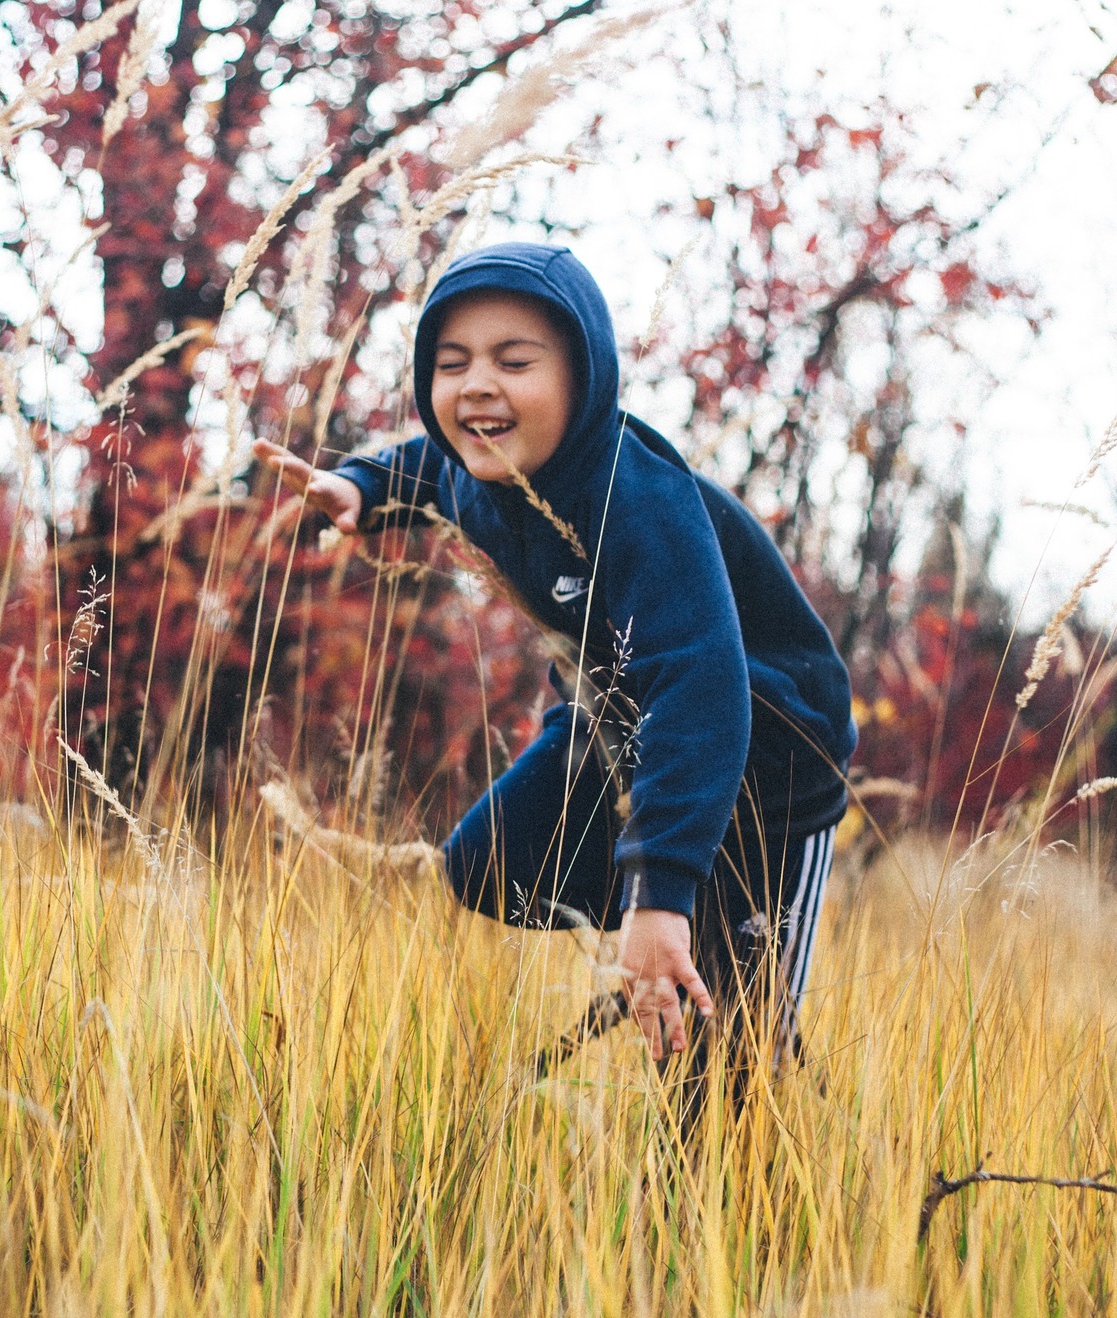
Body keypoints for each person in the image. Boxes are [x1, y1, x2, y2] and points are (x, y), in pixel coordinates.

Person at [254, 241, 856, 1114]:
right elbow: (431, 465)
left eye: (513, 360)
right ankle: (678, 910)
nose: (477, 386)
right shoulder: (484, 474)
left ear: (584, 378)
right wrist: (362, 487)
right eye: (451, 364)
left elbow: (701, 686)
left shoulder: (635, 494)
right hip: (617, 724)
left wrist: (658, 896)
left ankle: (701, 940)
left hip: (769, 757)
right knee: (485, 861)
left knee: (721, 1087)